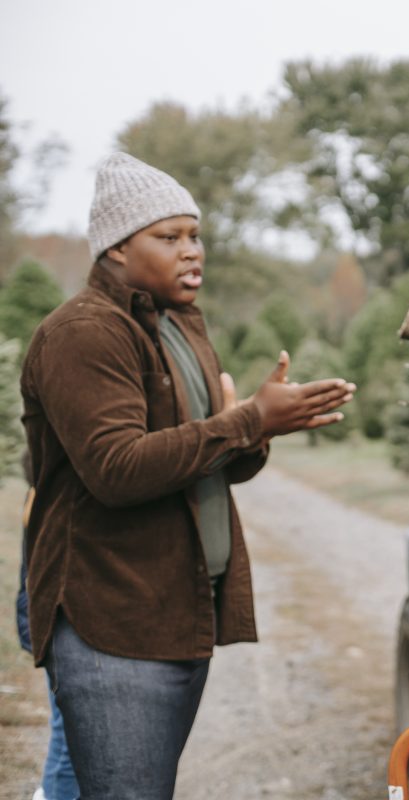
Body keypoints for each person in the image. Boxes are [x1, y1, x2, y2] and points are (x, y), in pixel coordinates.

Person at [19, 153, 355, 799]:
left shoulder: (177, 326)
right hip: (114, 616)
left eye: (194, 235)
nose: (191, 251)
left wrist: (259, 430)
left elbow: (204, 459)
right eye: (168, 237)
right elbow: (117, 469)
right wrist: (247, 420)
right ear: (117, 248)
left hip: (174, 606)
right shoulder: (85, 333)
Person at [15, 451, 79, 800]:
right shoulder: (49, 505)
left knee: (66, 731)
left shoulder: (38, 497)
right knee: (69, 736)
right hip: (54, 626)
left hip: (45, 623)